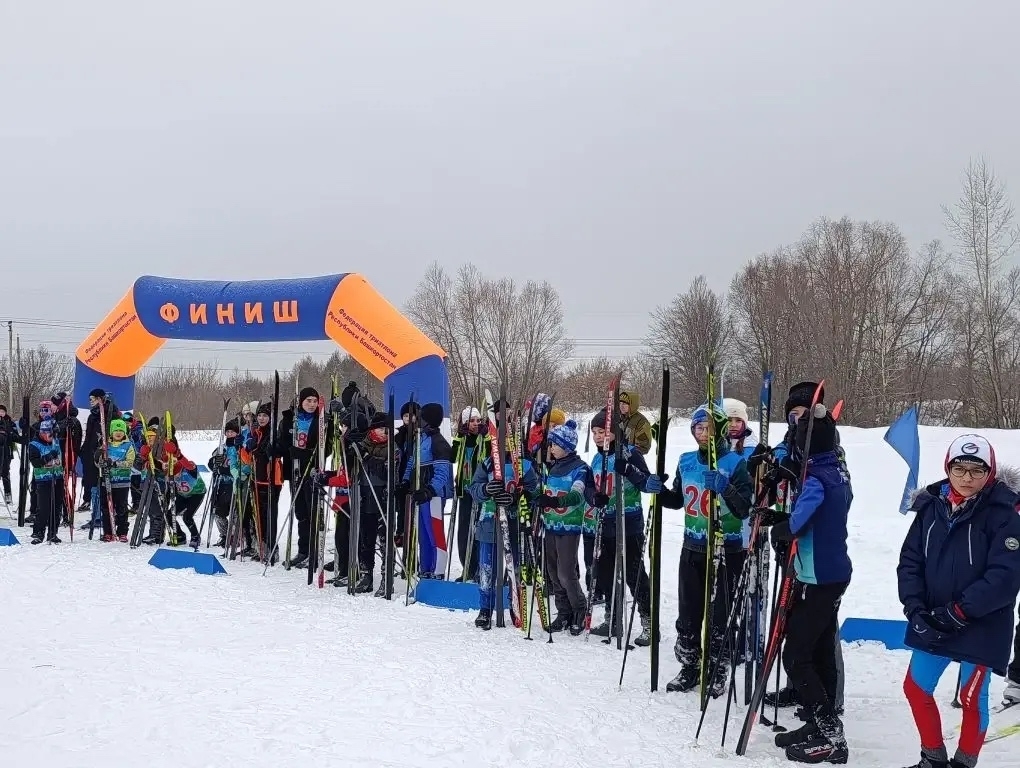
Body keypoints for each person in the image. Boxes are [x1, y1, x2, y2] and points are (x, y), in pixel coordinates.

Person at [897, 434, 1020, 768]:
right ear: (948, 469)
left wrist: (961, 610)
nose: (967, 477)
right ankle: (933, 759)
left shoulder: (1004, 512)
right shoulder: (931, 507)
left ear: (990, 472)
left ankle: (963, 764)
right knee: (916, 687)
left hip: (981, 622)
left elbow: (1005, 576)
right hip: (933, 617)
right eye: (960, 468)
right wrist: (914, 607)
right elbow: (910, 562)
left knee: (971, 698)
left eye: (977, 471)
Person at [760, 405, 852, 763]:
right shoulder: (837, 470)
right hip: (829, 574)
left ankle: (830, 733)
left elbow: (799, 522)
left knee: (796, 654)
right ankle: (818, 723)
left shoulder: (814, 478)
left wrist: (777, 525)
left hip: (820, 578)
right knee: (819, 650)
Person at [656, 401, 752, 695]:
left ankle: (717, 669)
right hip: (693, 547)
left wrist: (726, 487)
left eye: (709, 427)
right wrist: (657, 491)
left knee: (720, 615)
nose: (703, 433)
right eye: (698, 427)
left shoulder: (736, 463)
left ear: (721, 429)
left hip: (727, 550)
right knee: (688, 612)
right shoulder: (686, 461)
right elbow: (677, 500)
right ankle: (690, 666)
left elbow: (744, 508)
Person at [585, 406, 663, 642]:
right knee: (607, 574)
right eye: (596, 432)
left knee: (634, 575)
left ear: (615, 432)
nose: (599, 436)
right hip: (605, 523)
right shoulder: (598, 458)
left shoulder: (630, 453)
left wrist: (628, 470)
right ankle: (613, 618)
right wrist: (594, 498)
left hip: (628, 523)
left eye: (604, 432)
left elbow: (647, 483)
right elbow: (590, 487)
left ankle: (649, 623)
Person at [467, 407, 540, 630]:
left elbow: (535, 491)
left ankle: (515, 605)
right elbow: (474, 489)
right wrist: (487, 489)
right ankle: (485, 609)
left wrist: (519, 495)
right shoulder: (487, 463)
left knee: (514, 567)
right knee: (487, 568)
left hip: (515, 524)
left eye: (508, 441)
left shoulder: (525, 466)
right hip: (489, 523)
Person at [533, 419, 595, 635]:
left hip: (569, 527)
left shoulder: (580, 469)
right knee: (551, 571)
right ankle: (563, 611)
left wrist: (553, 502)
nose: (550, 448)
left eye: (554, 445)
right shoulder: (554, 467)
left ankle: (579, 609)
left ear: (567, 446)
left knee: (565, 572)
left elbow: (577, 495)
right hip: (550, 525)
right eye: (550, 444)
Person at [277, 388, 329, 569]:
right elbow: (283, 443)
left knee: (313, 512)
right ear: (301, 402)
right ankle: (303, 551)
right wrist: (275, 450)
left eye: (315, 401)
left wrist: (306, 454)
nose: (312, 404)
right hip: (295, 472)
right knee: (300, 513)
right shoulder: (291, 419)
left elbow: (326, 449)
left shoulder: (322, 420)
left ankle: (315, 552)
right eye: (308, 401)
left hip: (313, 472)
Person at [399, 403, 452, 580]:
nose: (417, 421)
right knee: (423, 535)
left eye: (421, 418)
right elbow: (412, 462)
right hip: (420, 494)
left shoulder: (439, 442)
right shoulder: (420, 439)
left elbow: (442, 473)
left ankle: (438, 570)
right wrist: (406, 482)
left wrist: (429, 490)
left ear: (428, 420)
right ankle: (426, 568)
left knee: (434, 533)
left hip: (433, 496)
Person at [452, 406, 488, 582]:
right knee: (464, 531)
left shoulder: (484, 438)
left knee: (479, 531)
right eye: (471, 421)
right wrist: (459, 437)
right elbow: (453, 457)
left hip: (479, 491)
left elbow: (489, 456)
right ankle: (467, 567)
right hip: (464, 491)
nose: (475, 424)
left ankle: (481, 570)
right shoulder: (462, 439)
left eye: (478, 420)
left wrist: (486, 435)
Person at [96, 418, 136, 542]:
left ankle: (122, 531)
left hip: (122, 483)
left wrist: (114, 464)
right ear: (111, 432)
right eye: (115, 430)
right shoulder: (105, 445)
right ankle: (108, 532)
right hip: (107, 482)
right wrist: (100, 459)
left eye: (121, 430)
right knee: (107, 508)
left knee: (122, 508)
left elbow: (130, 462)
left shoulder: (128, 445)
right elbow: (98, 463)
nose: (118, 433)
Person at [28, 419, 65, 544]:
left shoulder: (56, 442)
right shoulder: (34, 445)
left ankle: (53, 533)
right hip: (43, 480)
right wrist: (49, 456)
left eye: (53, 434)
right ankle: (39, 532)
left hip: (58, 478)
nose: (51, 437)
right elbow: (36, 463)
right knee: (44, 508)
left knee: (57, 507)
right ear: (42, 433)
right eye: (49, 434)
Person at [618, 391, 652, 456]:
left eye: (625, 404)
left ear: (632, 404)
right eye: (620, 403)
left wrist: (627, 454)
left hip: (632, 459)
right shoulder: (619, 418)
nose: (621, 406)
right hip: (616, 457)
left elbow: (644, 446)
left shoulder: (641, 421)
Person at [0, 404, 19, 506]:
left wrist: (11, 434)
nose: (1, 413)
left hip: (7, 452)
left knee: (5, 473)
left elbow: (16, 436)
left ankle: (8, 495)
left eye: (2, 411)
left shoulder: (10, 423)